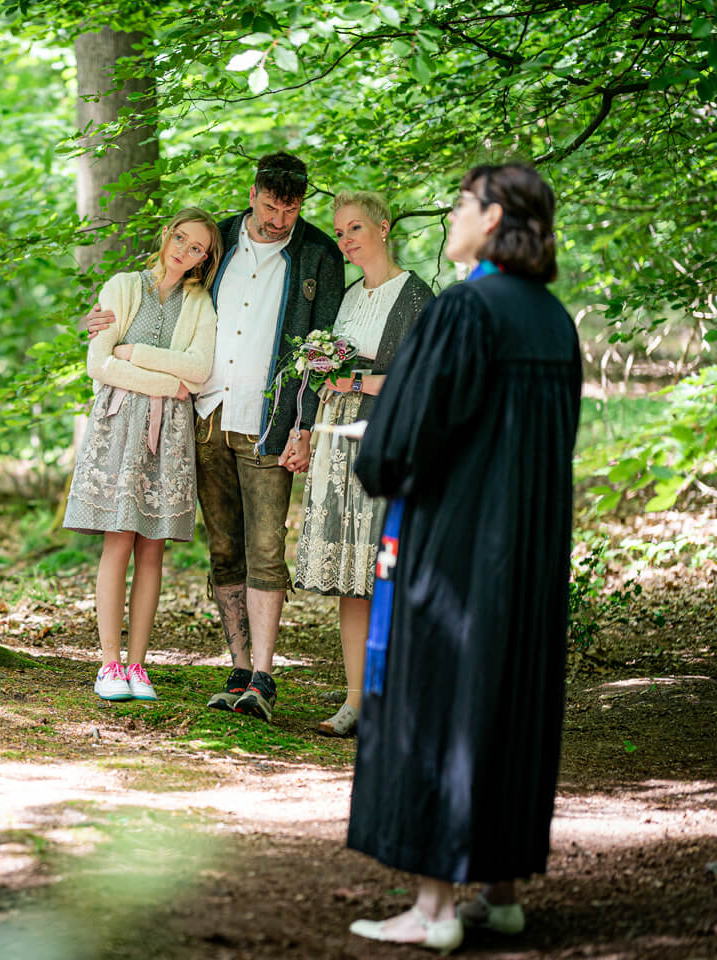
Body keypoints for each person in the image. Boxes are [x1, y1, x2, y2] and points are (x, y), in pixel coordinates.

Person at [344, 163, 579, 953]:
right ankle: (501, 893)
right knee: (507, 700)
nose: (450, 216)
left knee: (439, 700)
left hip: (454, 547)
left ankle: (435, 908)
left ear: (496, 217)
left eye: (462, 205)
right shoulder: (553, 319)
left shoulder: (466, 311)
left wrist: (375, 459)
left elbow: (402, 439)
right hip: (530, 555)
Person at [91, 153, 343, 721]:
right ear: (254, 194)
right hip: (201, 417)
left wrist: (303, 426)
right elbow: (164, 287)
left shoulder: (319, 255)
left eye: (292, 208)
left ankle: (264, 676)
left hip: (270, 422)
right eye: (272, 205)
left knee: (265, 548)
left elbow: (322, 348)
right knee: (224, 547)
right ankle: (236, 667)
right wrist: (107, 321)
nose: (280, 219)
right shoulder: (219, 240)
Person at [291, 191, 433, 737]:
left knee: (387, 567)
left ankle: (398, 694)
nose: (346, 240)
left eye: (355, 228)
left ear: (383, 226)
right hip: (336, 439)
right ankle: (355, 701)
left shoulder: (417, 294)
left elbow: (421, 377)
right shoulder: (346, 298)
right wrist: (306, 427)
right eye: (340, 231)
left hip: (386, 437)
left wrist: (352, 380)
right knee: (352, 577)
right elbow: (316, 373)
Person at [65, 208, 221, 702]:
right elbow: (98, 364)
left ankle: (138, 665)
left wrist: (134, 353)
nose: (185, 251)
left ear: (205, 258)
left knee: (151, 546)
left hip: (169, 432)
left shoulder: (200, 302)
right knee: (118, 540)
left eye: (197, 248)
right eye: (181, 238)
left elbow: (198, 370)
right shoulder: (122, 286)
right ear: (167, 235)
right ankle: (109, 664)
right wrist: (166, 381)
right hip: (118, 423)